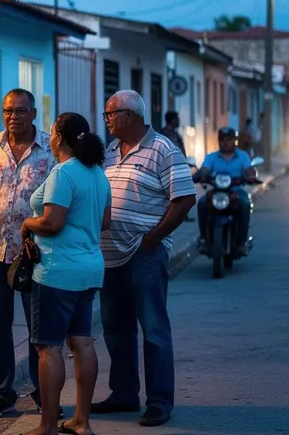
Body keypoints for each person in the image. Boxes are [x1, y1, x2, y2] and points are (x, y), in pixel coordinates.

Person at [94, 90, 196, 427]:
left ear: (131, 115)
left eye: (111, 114)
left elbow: (184, 198)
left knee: (153, 329)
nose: (107, 120)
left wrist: (154, 237)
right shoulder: (109, 152)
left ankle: (159, 402)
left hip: (144, 253)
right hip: (110, 256)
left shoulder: (164, 149)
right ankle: (124, 394)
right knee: (115, 329)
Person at [20, 113, 111, 435]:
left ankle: (47, 426)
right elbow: (104, 222)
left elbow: (52, 223)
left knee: (49, 347)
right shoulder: (97, 173)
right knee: (82, 343)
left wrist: (28, 223)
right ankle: (81, 421)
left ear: (58, 136)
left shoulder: (64, 173)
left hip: (57, 271)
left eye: (52, 131)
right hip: (89, 269)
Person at [0, 88, 52, 419]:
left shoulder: (50, 150)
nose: (13, 116)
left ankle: (43, 393)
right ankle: (4, 393)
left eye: (20, 110)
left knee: (38, 328)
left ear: (33, 114)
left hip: (34, 253)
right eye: (7, 111)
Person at [197, 127, 255, 255]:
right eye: (222, 139)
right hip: (216, 190)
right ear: (218, 141)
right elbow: (205, 170)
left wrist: (251, 176)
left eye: (229, 139)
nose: (225, 142)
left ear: (234, 140)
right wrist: (200, 176)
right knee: (202, 203)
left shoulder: (243, 156)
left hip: (236, 190)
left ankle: (242, 242)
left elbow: (250, 170)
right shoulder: (211, 157)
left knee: (245, 204)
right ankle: (204, 239)